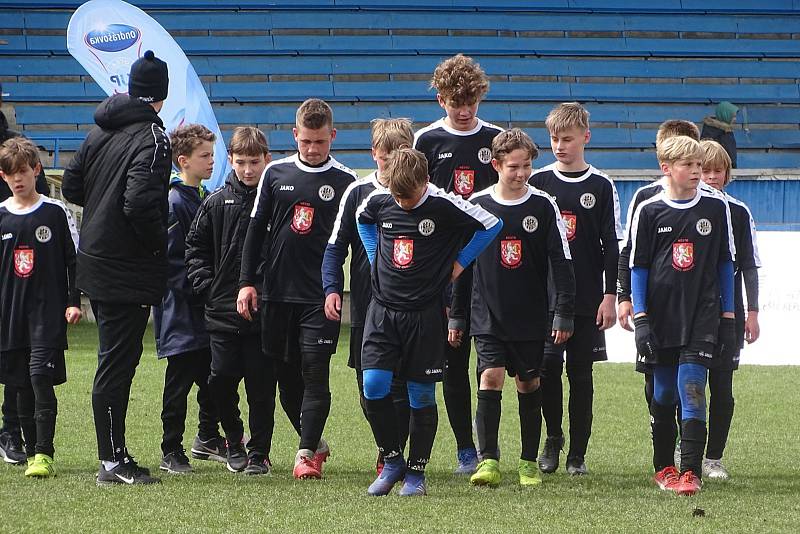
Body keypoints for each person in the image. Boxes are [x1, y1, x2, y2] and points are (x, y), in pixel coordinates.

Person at [355, 148, 502, 496]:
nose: (402, 202)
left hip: (424, 314)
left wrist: (460, 264)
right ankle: (392, 462)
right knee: (373, 387)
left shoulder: (444, 204)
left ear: (425, 182)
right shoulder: (379, 199)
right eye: (397, 195)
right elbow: (362, 218)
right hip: (382, 311)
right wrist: (376, 256)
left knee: (420, 394)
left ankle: (416, 474)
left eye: (409, 196)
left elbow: (492, 224)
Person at [62, 50, 171, 485]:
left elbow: (71, 185)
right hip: (126, 266)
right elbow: (141, 203)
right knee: (117, 363)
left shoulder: (98, 130)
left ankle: (114, 454)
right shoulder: (154, 137)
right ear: (161, 96)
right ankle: (111, 461)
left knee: (115, 359)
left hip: (96, 261)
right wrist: (157, 246)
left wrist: (103, 216)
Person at [447, 129, 576, 488]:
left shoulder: (543, 205)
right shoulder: (476, 205)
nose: (521, 174)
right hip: (486, 313)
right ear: (497, 164)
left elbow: (561, 263)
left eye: (527, 167)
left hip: (531, 314)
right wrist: (457, 314)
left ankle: (528, 462)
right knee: (490, 377)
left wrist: (563, 310)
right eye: (514, 167)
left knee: (529, 382)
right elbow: (462, 265)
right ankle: (488, 460)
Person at [237, 99, 357, 480]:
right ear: (295, 136)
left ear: (332, 137)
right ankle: (315, 441)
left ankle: (305, 454)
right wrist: (246, 282)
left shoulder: (346, 181)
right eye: (306, 141)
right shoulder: (275, 173)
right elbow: (255, 233)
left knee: (314, 372)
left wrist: (341, 287)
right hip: (275, 293)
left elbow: (355, 243)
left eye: (320, 142)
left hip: (319, 298)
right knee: (286, 379)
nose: (312, 149)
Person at [187, 126, 301, 475]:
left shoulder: (280, 203)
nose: (248, 170)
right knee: (219, 379)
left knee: (261, 387)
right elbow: (195, 250)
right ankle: (233, 441)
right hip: (222, 313)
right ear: (231, 161)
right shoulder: (216, 202)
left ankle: (258, 453)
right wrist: (210, 287)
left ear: (267, 159)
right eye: (240, 162)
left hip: (266, 314)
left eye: (254, 162)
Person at [629, 135, 736, 496]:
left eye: (698, 165)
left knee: (692, 389)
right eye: (688, 165)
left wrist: (729, 314)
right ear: (667, 168)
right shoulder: (649, 209)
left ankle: (691, 473)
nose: (696, 172)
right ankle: (664, 468)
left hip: (702, 314)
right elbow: (638, 267)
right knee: (663, 396)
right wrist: (641, 316)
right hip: (660, 317)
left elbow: (725, 262)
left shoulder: (715, 207)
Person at [413, 53, 503, 474]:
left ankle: (488, 447)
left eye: (471, 100)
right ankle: (465, 448)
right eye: (455, 101)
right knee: (452, 356)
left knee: (492, 357)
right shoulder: (426, 141)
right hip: (445, 266)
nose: (464, 110)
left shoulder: (499, 139)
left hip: (492, 266)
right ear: (440, 100)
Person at [529, 103, 622, 476]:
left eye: (567, 138)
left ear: (586, 136)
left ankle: (578, 454)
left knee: (581, 375)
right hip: (548, 299)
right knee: (548, 368)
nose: (559, 146)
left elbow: (612, 245)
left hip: (587, 299)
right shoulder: (540, 182)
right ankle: (553, 438)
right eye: (554, 139)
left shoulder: (601, 185)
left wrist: (610, 295)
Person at [321, 118, 413, 473]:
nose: (391, 161)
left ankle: (393, 453)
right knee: (369, 385)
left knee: (404, 384)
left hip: (411, 307)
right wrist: (332, 288)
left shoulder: (423, 192)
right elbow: (334, 248)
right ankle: (386, 445)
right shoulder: (357, 193)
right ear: (374, 153)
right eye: (386, 154)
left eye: (401, 153)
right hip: (366, 306)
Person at [0, 137, 81, 478]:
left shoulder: (54, 211)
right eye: (9, 174)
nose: (17, 179)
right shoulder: (1, 215)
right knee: (18, 384)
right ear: (3, 177)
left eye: (22, 171)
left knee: (39, 378)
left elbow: (74, 261)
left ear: (35, 170)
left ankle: (44, 454)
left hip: (46, 314)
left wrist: (73, 301)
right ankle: (30, 450)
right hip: (10, 315)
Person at [153, 124, 224, 474]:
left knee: (214, 376)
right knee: (179, 380)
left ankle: (208, 437)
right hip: (180, 309)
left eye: (212, 154)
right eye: (205, 156)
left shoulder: (201, 196)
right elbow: (172, 261)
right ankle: (171, 449)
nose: (212, 161)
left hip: (203, 308)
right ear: (183, 161)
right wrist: (202, 288)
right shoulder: (174, 201)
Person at [699, 139, 760, 480]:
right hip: (690, 313)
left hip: (729, 314)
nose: (710, 177)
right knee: (686, 384)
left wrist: (752, 312)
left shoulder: (738, 212)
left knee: (722, 387)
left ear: (727, 174)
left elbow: (749, 266)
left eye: (717, 171)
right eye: (704, 170)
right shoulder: (684, 208)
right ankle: (685, 447)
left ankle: (714, 458)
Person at [0, 84, 54, 465]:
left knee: (28, 376)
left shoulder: (49, 210)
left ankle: (26, 442)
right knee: (14, 373)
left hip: (36, 302)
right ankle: (12, 434)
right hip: (7, 301)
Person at [701, 102, 738, 168]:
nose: (735, 119)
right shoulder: (711, 133)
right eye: (733, 117)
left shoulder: (726, 130)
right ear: (725, 115)